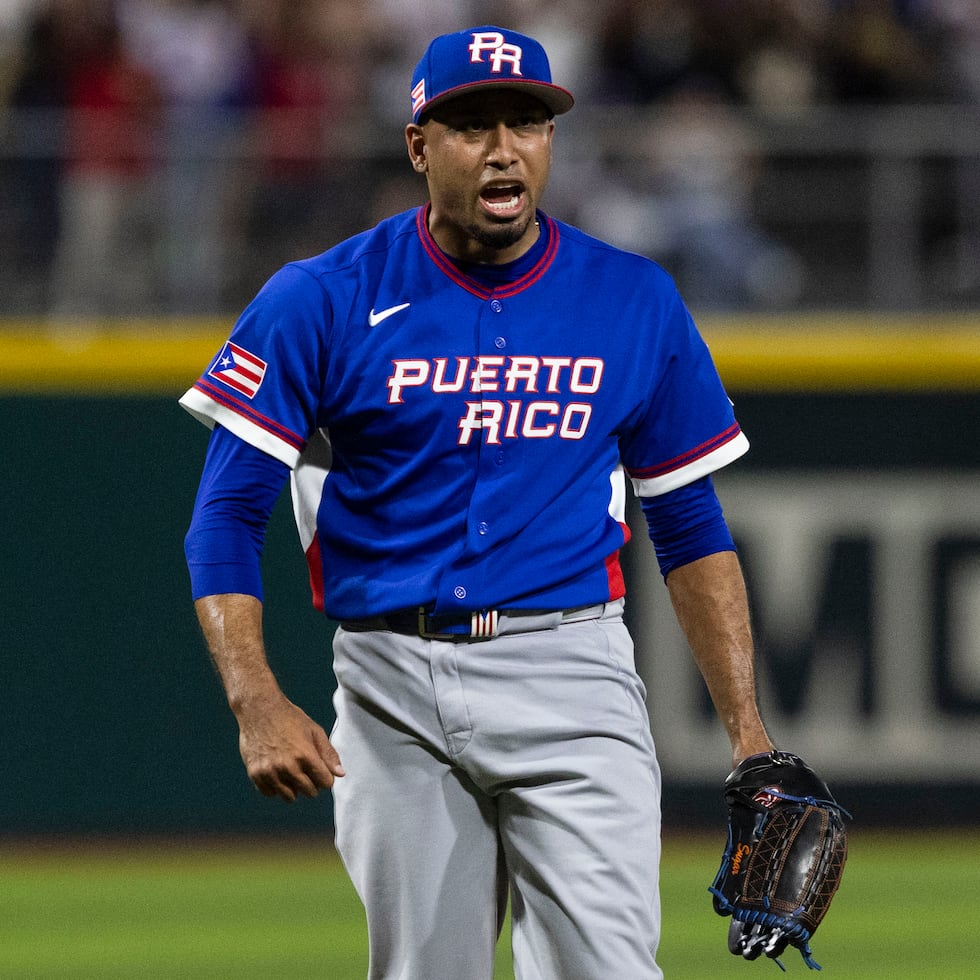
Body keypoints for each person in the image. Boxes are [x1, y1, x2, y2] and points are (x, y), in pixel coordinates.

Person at [181, 25, 773, 980]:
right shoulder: (320, 298)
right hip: (391, 683)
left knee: (612, 970)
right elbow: (225, 514)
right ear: (419, 146)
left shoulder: (634, 300)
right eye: (470, 124)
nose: (504, 147)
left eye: (527, 121)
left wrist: (747, 731)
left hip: (573, 669)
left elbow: (690, 518)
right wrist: (254, 699)